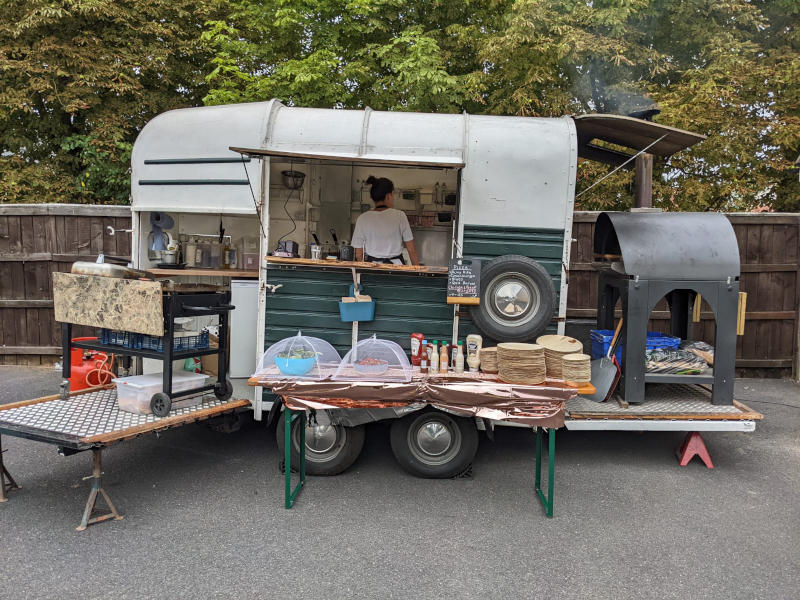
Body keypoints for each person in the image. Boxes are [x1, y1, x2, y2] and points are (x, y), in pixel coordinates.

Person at [352, 175, 420, 265]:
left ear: (372, 197)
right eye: (393, 194)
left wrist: (362, 272)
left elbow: (358, 254)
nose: (393, 198)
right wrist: (418, 273)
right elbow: (411, 250)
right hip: (396, 269)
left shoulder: (363, 218)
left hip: (372, 269)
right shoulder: (400, 216)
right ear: (388, 195)